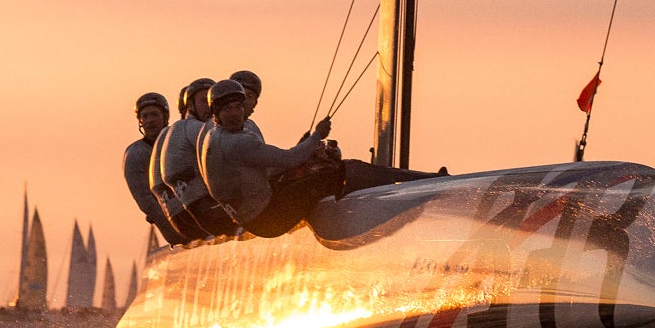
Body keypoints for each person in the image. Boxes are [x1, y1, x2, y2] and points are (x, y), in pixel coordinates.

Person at [199, 79, 433, 238]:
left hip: (255, 215)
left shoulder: (212, 135)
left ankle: (412, 180)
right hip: (269, 219)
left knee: (318, 168)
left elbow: (266, 167)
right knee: (338, 170)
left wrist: (306, 151)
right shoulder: (236, 142)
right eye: (227, 109)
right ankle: (420, 185)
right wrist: (318, 136)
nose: (235, 114)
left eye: (238, 107)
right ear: (216, 114)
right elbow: (289, 160)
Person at [152, 76, 240, 241]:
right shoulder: (195, 128)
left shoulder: (168, 133)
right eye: (203, 101)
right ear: (190, 105)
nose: (209, 107)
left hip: (181, 220)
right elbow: (233, 156)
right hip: (205, 213)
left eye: (211, 101)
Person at [123, 93, 184, 245]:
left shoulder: (180, 140)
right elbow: (145, 199)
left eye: (154, 115)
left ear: (165, 117)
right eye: (145, 116)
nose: (149, 120)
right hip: (174, 224)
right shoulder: (135, 155)